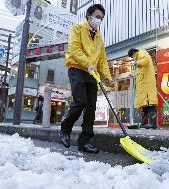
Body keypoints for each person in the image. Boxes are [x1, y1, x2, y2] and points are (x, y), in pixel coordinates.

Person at [61, 4, 113, 153]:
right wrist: (88, 64)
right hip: (77, 68)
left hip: (92, 73)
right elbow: (75, 49)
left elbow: (102, 61)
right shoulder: (77, 29)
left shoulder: (99, 38)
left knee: (91, 107)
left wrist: (107, 77)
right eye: (97, 17)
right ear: (89, 16)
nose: (99, 20)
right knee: (80, 101)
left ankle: (84, 141)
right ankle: (65, 128)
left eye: (101, 18)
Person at [128, 48, 158, 129]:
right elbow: (140, 74)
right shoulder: (138, 62)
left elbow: (145, 61)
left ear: (134, 53)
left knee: (151, 105)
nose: (133, 59)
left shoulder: (142, 52)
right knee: (144, 107)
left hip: (148, 88)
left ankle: (152, 124)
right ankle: (144, 123)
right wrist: (133, 74)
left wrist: (136, 63)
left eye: (132, 57)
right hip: (143, 91)